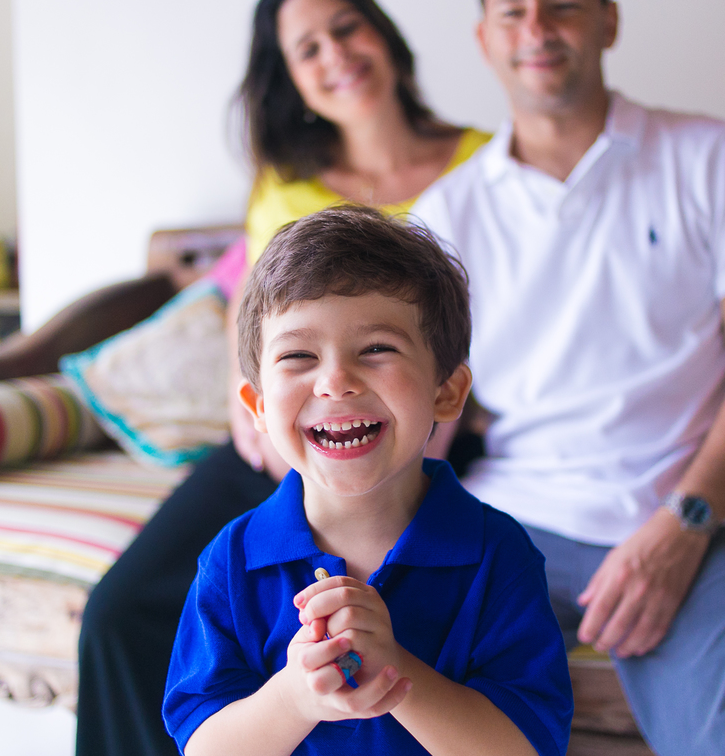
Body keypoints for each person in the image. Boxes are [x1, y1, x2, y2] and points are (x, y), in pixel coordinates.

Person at [410, 0, 725, 754]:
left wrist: (684, 523)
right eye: (512, 12)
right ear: (484, 39)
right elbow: (424, 402)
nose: (538, 31)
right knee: (375, 707)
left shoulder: (711, 156)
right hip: (516, 516)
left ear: (609, 21)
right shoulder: (449, 211)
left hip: (705, 507)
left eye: (562, 5)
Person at [76, 0, 489, 755]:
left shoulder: (483, 164)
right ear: (291, 80)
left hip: (423, 432)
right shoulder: (285, 185)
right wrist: (267, 427)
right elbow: (253, 320)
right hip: (280, 449)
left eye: (347, 27)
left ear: (385, 36)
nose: (336, 53)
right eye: (307, 48)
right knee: (117, 611)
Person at [163, 206, 572, 756]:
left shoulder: (498, 555)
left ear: (447, 391)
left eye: (377, 348)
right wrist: (294, 699)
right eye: (299, 355)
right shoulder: (233, 561)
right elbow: (205, 746)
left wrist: (398, 673)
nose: (335, 381)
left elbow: (525, 746)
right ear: (257, 407)